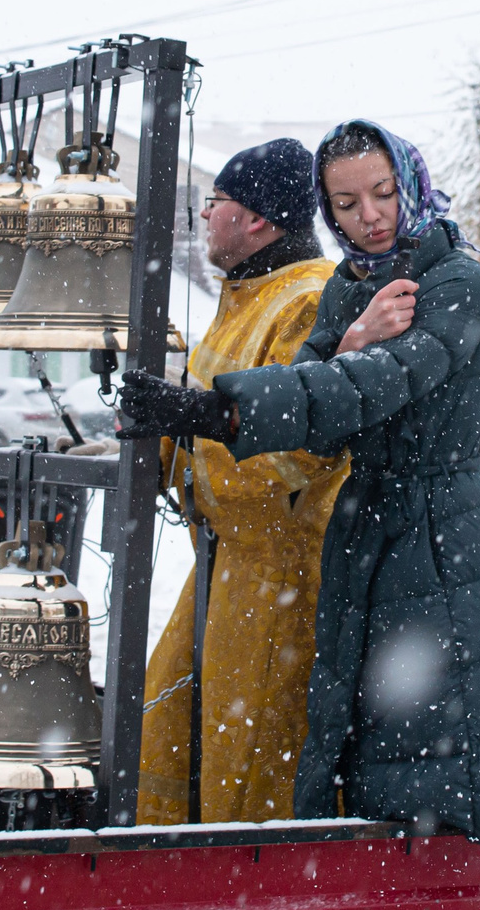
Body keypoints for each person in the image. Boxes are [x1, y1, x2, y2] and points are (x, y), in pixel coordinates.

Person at [119, 120, 480, 843]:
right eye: (345, 204)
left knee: (443, 738)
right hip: (368, 531)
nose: (368, 216)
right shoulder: (351, 288)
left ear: (410, 185)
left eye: (380, 194)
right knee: (364, 735)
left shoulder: (457, 285)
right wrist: (343, 341)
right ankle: (338, 909)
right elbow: (314, 387)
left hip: (442, 532)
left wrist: (211, 409)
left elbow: (370, 384)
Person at [135, 139, 347, 825]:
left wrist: (189, 435)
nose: (204, 216)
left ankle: (234, 903)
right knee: (169, 726)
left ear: (257, 219)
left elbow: (293, 454)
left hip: (277, 579)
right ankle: (163, 896)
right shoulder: (244, 296)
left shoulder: (308, 302)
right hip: (224, 567)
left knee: (248, 758)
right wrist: (150, 434)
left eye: (213, 201)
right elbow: (204, 429)